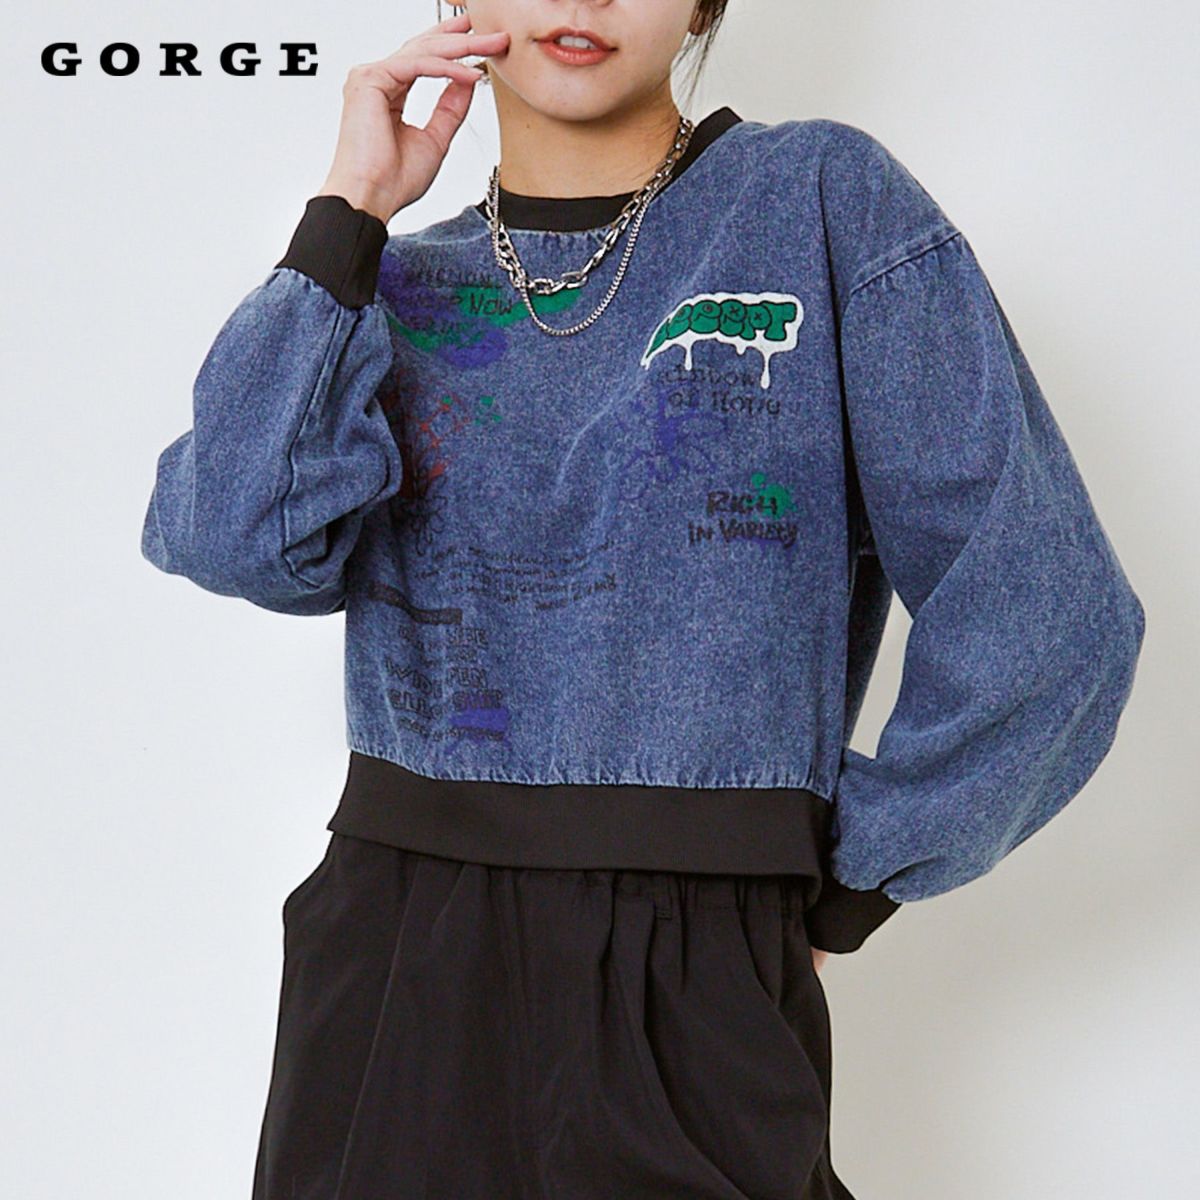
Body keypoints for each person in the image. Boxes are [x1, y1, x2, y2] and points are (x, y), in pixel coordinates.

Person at [139, 3, 1147, 1197]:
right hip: (395, 956)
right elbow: (235, 536)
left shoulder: (817, 203)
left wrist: (848, 883)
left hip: (697, 970)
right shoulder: (393, 284)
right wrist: (347, 213)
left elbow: (1052, 617)